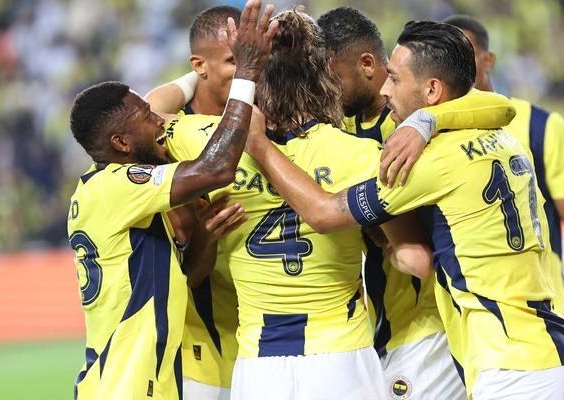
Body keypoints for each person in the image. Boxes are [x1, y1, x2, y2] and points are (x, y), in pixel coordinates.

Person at [243, 20, 564, 399]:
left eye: (395, 78)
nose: (386, 87)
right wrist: (431, 118)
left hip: (508, 363)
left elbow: (326, 213)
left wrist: (260, 146)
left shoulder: (427, 161)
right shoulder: (503, 137)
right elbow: (500, 105)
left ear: (432, 89)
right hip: (560, 349)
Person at [67, 1, 277, 398]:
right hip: (123, 386)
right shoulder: (118, 187)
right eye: (148, 117)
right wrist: (246, 72)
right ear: (121, 143)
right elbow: (216, 168)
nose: (160, 121)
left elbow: (187, 275)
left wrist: (206, 237)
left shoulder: (122, 197)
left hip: (146, 381)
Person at [316, 7, 463, 399]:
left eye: (333, 78)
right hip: (387, 324)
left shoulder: (409, 126)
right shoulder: (342, 130)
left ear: (367, 64)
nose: (327, 90)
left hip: (427, 324)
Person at [440, 15, 564, 368]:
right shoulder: (430, 136)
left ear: (489, 60)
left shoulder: (540, 127)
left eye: (465, 54)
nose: (456, 65)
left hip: (544, 325)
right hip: (464, 335)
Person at [146, 6, 244, 399]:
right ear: (199, 65)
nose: (248, 72)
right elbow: (149, 109)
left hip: (272, 340)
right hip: (204, 349)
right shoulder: (169, 138)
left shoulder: (268, 118)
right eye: (234, 60)